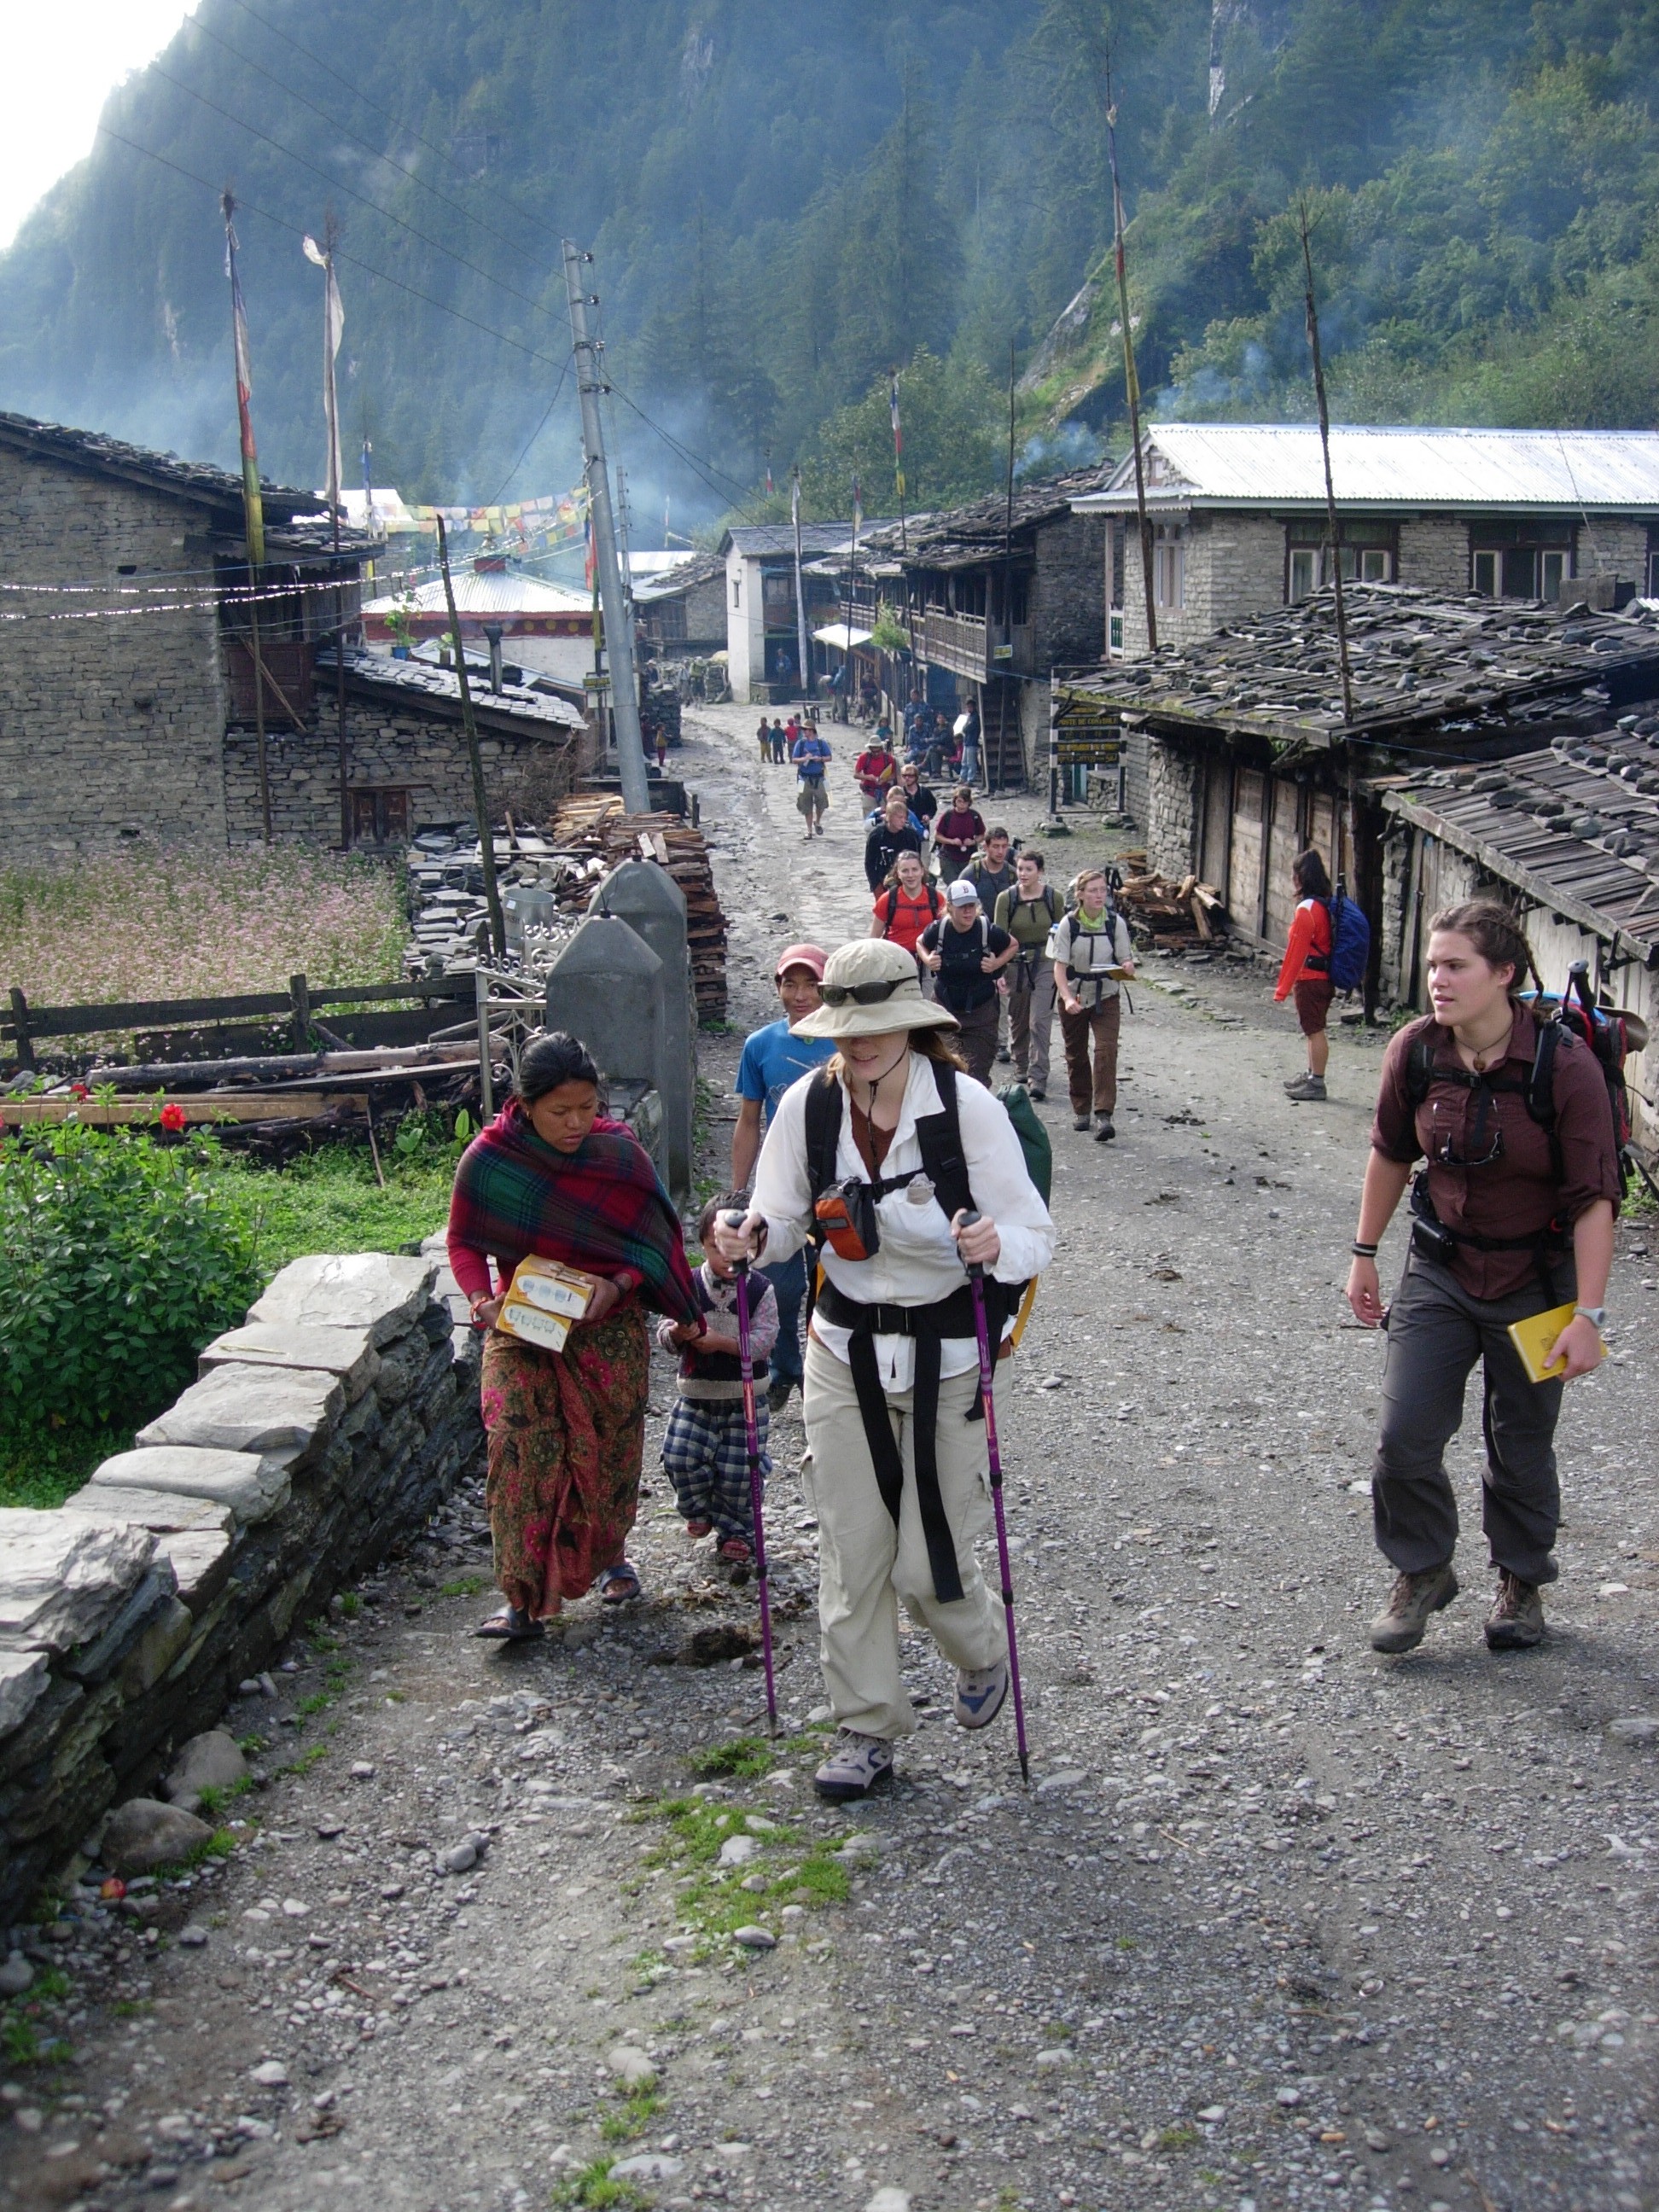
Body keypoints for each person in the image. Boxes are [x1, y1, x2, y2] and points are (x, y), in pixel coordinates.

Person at [712, 938, 1055, 1800]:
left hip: (948, 1356)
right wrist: (747, 1234)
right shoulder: (807, 1107)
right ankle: (866, 1727)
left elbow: (1033, 1237)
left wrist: (992, 1244)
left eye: (876, 1025)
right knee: (852, 1552)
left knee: (928, 1562)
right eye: (845, 1028)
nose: (859, 1044)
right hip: (842, 1349)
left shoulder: (967, 1110)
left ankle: (979, 1650)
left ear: (912, 1022)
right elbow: (781, 1220)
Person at [1347, 901, 1618, 1657]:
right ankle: (1423, 1571)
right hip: (1440, 1268)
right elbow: (1392, 1152)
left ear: (1503, 974)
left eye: (1455, 965)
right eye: (1433, 964)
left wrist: (1588, 1315)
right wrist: (1364, 1251)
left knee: (1522, 1443)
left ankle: (1521, 1584)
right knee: (1405, 1437)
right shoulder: (1416, 1051)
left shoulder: (1563, 1068)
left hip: (1537, 1284)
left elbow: (1596, 1199)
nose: (1437, 979)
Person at [448, 1032, 704, 1639]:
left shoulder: (619, 1159)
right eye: (560, 1112)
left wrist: (617, 1285)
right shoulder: (491, 1161)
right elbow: (463, 1240)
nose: (575, 1123)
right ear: (525, 1105)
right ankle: (522, 1598)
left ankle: (611, 1554)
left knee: (610, 1450)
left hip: (605, 1331)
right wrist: (483, 1300)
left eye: (587, 1109)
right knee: (515, 1447)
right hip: (522, 1328)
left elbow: (652, 1243)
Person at [732, 945, 835, 1411]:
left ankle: (827, 1374)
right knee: (779, 1282)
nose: (800, 995)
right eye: (789, 984)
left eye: (811, 984)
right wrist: (741, 1189)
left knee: (831, 1280)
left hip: (836, 1177)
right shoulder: (761, 1046)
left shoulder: (845, 1040)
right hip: (783, 1178)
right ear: (776, 988)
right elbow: (749, 1120)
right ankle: (784, 1368)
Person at [659, 1193, 779, 1565]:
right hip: (696, 1394)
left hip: (745, 1396)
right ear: (703, 1245)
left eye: (740, 1249)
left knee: (739, 1469)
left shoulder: (761, 1289)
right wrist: (679, 1334)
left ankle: (737, 1531)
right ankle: (696, 1508)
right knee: (680, 1456)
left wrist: (723, 1344)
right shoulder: (690, 1284)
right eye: (716, 1248)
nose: (727, 1258)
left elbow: (764, 1340)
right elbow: (665, 1331)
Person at [1051, 867, 1135, 1140]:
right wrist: (1065, 998)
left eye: (1103, 891)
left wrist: (1128, 966)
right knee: (1076, 1053)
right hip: (1075, 994)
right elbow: (1060, 967)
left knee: (1105, 1050)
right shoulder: (1069, 924)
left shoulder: (1115, 923)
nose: (1100, 896)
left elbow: (1126, 958)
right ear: (1081, 895)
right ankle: (1081, 1110)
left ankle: (1103, 1114)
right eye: (1093, 891)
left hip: (1107, 994)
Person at [919, 881, 1017, 1086]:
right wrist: (928, 960)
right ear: (949, 906)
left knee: (976, 1077)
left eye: (971, 905)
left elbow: (1013, 945)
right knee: (945, 1072)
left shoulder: (986, 930)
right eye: (962, 906)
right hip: (945, 1011)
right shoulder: (939, 930)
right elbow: (920, 942)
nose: (968, 911)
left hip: (981, 1013)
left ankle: (975, 1115)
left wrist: (996, 963)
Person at [995, 847, 1062, 1102]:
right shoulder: (1007, 899)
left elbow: (1061, 932)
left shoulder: (1053, 897)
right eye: (1020, 869)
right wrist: (999, 970)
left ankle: (1038, 1076)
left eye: (1028, 869)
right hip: (1016, 963)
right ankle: (1021, 1062)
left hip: (1045, 962)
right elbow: (998, 937)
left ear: (1040, 872)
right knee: (1019, 1018)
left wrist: (1063, 967)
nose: (1023, 874)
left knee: (1039, 1020)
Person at [1275, 848, 1335, 1103]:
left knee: (1314, 1029)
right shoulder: (1323, 904)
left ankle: (1317, 1082)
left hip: (1310, 979)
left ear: (1300, 877)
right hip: (1323, 977)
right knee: (1313, 1028)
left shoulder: (1306, 910)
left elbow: (1295, 954)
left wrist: (1282, 990)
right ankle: (1311, 1076)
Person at [870, 849, 943, 962]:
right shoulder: (887, 899)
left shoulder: (936, 898)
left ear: (922, 871)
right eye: (905, 871)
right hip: (895, 959)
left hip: (928, 958)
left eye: (915, 870)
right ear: (898, 874)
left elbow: (947, 931)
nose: (910, 875)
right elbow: (874, 937)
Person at [864, 787, 927, 892]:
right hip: (882, 879)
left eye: (904, 818)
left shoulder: (911, 836)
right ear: (889, 817)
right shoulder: (876, 836)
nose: (903, 821)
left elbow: (917, 859)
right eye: (899, 818)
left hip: (906, 881)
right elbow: (869, 863)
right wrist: (875, 885)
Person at [933, 785, 986, 882]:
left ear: (969, 802)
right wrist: (951, 841)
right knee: (952, 884)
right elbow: (937, 836)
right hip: (949, 857)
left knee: (969, 883)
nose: (962, 805)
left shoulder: (974, 816)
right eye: (959, 801)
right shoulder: (948, 816)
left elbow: (982, 835)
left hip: (969, 857)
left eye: (965, 802)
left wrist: (973, 841)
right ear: (955, 801)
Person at [792, 719, 833, 839]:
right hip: (804, 778)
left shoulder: (821, 743)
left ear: (812, 730)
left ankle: (817, 821)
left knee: (822, 801)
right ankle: (809, 830)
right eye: (803, 729)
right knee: (806, 804)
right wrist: (804, 759)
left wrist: (819, 759)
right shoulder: (800, 744)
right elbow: (794, 760)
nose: (804, 732)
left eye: (806, 729)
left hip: (819, 778)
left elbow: (829, 757)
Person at [854, 734, 898, 805]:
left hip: (885, 792)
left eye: (878, 751)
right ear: (870, 749)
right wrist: (868, 777)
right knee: (869, 813)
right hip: (869, 792)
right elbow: (856, 774)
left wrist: (885, 779)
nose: (876, 754)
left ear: (882, 748)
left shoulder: (889, 758)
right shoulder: (864, 758)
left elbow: (893, 775)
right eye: (874, 752)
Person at [895, 759, 937, 833]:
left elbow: (933, 807)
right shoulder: (898, 792)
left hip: (922, 827)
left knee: (924, 844)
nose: (907, 778)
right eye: (904, 776)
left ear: (916, 777)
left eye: (910, 776)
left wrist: (928, 816)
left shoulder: (925, 791)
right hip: (904, 829)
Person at [956, 702, 982, 784]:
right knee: (964, 762)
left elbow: (967, 728)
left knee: (971, 763)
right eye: (967, 707)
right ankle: (963, 777)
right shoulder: (969, 717)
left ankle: (971, 779)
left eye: (970, 707)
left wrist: (965, 728)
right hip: (967, 742)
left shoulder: (975, 717)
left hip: (972, 742)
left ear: (974, 707)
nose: (968, 709)